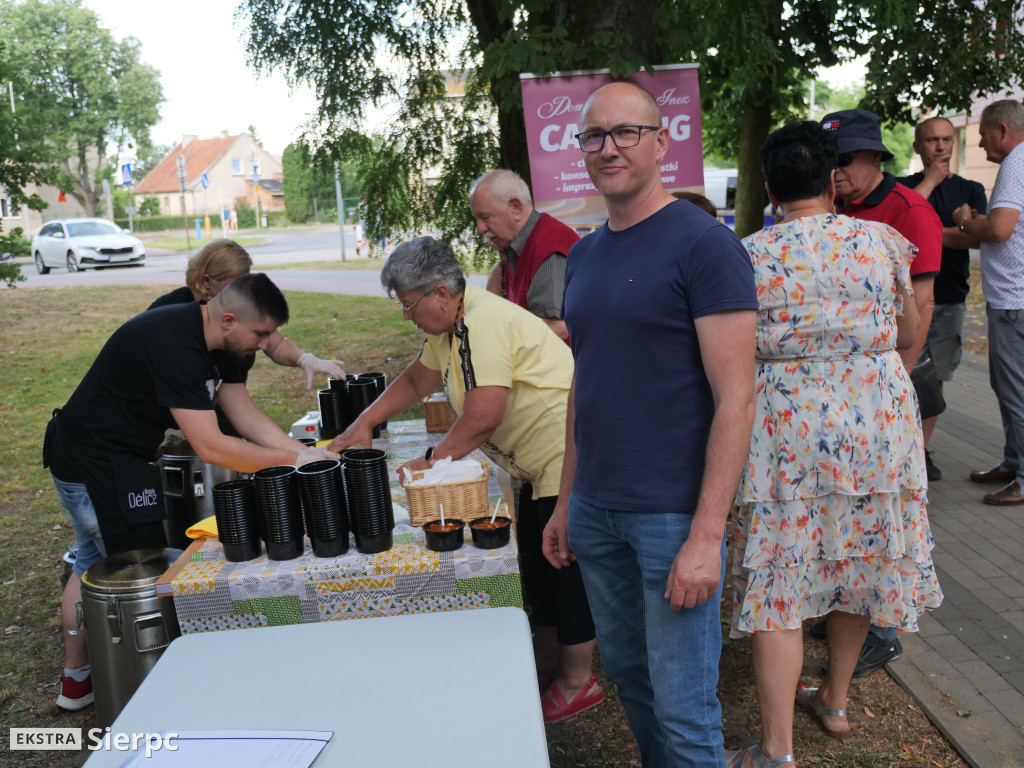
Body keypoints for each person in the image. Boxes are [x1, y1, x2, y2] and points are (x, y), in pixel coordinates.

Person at [542, 81, 757, 767]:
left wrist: (706, 536)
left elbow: (737, 398)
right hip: (598, 510)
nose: (608, 148)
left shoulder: (705, 246)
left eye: (625, 132)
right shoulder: (584, 254)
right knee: (633, 681)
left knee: (685, 705)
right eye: (593, 136)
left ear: (661, 142)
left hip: (673, 516)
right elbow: (588, 385)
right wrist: (567, 498)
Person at [726, 121, 943, 768]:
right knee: (859, 563)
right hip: (877, 421)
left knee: (780, 581)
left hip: (786, 429)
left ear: (769, 187)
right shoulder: (882, 242)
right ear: (831, 181)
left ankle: (777, 752)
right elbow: (908, 332)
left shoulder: (748, 256)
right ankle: (837, 701)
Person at [327, 236, 602, 723]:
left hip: (566, 452)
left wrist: (433, 460)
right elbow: (417, 380)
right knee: (539, 569)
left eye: (409, 305)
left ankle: (578, 681)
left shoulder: (482, 321)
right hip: (537, 463)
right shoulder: (450, 323)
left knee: (564, 569)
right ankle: (544, 666)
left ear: (439, 293)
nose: (407, 316)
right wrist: (364, 421)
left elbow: (482, 416)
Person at [44, 273, 338, 711]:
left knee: (107, 560)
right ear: (230, 320)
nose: (266, 344)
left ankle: (82, 682)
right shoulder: (173, 344)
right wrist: (294, 462)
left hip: (125, 457)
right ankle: (149, 697)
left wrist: (311, 455)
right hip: (92, 459)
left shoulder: (229, 345)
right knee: (140, 574)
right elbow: (211, 445)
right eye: (260, 334)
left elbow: (246, 417)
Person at [820, 108, 943, 678]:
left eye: (844, 160)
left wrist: (889, 392)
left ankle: (884, 628)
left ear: (874, 157)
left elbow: (919, 306)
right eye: (828, 161)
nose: (835, 171)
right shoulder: (835, 206)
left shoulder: (910, 211)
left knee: (884, 505)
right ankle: (844, 604)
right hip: (835, 389)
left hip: (883, 380)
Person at [898, 117, 987, 481]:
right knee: (904, 369)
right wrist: (933, 185)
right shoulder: (903, 187)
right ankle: (900, 442)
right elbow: (898, 231)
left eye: (947, 139)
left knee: (936, 376)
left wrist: (927, 231)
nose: (941, 147)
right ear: (918, 146)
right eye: (932, 140)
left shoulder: (971, 189)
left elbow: (977, 240)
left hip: (950, 295)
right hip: (905, 298)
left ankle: (921, 450)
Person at [149, 239, 345, 390]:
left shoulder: (235, 308)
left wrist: (305, 359)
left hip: (228, 413)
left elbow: (273, 342)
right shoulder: (170, 314)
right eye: (232, 286)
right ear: (206, 280)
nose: (241, 293)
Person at [955, 99, 1024, 505]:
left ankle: (1022, 475)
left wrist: (965, 219)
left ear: (1002, 130)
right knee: (1006, 385)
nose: (980, 145)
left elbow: (999, 229)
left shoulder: (1015, 163)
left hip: (1013, 299)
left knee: (1014, 391)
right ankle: (1013, 462)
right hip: (1013, 298)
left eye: (982, 136)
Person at [471, 169, 578, 342]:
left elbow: (555, 329)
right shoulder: (516, 246)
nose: (480, 228)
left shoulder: (549, 249)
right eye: (477, 218)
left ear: (516, 208)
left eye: (485, 217)